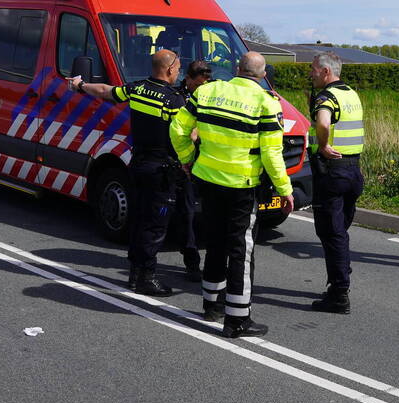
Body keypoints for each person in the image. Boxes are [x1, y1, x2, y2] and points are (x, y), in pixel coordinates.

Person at [170, 51, 294, 338]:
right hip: (242, 185)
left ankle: (211, 305)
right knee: (241, 249)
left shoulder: (207, 91)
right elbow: (272, 153)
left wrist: (188, 160)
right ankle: (237, 319)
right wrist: (285, 189)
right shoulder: (266, 102)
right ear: (263, 75)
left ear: (238, 69)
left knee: (214, 241)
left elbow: (178, 128)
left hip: (207, 180)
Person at [69, 49, 184, 296]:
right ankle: (147, 277)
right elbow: (188, 136)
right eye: (179, 67)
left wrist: (80, 86)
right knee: (155, 226)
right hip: (161, 170)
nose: (180, 71)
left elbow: (104, 91)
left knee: (139, 220)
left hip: (137, 164)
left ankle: (134, 274)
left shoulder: (138, 89)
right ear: (170, 68)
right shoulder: (174, 101)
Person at [307, 51, 364, 314]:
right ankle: (341, 273)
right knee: (340, 230)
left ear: (326, 72)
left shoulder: (327, 97)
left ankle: (339, 293)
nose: (311, 73)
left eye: (314, 69)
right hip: (353, 170)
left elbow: (322, 121)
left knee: (332, 233)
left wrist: (323, 145)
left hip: (333, 172)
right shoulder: (351, 93)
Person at [173, 60, 214, 281]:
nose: (200, 90)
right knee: (187, 212)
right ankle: (191, 260)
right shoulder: (178, 96)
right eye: (197, 85)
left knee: (210, 213)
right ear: (187, 78)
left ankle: (211, 260)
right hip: (186, 161)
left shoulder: (213, 92)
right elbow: (185, 131)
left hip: (209, 162)